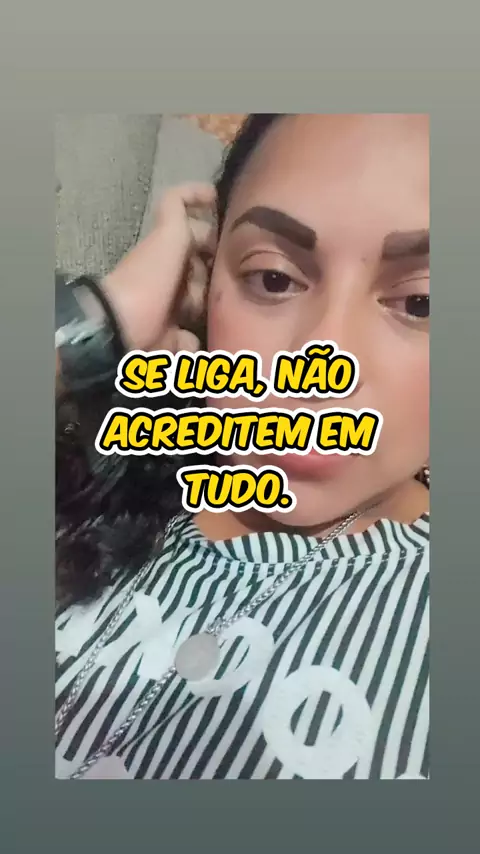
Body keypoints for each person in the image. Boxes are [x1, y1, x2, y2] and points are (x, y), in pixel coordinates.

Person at [55, 113, 430, 780]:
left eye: (423, 303)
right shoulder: (98, 462)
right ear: (204, 285)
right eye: (273, 279)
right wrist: (98, 327)